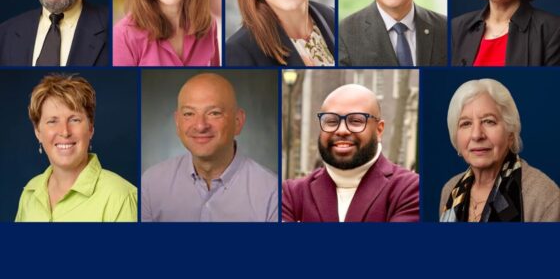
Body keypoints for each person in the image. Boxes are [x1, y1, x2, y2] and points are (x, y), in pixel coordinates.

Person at [141, 73, 278, 222]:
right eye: (189, 114)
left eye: (214, 113)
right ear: (177, 122)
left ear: (238, 121)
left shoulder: (272, 193)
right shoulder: (151, 184)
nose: (200, 126)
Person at [282, 84, 419, 222]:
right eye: (331, 121)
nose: (342, 130)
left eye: (355, 121)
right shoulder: (292, 194)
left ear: (379, 130)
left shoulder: (409, 189)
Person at [15, 74, 137, 222]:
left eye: (74, 120)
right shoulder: (30, 193)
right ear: (38, 132)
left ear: (90, 128)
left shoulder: (121, 197)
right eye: (52, 121)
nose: (65, 132)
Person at [440, 79, 560, 222]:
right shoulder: (450, 190)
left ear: (510, 132)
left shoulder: (545, 198)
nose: (477, 135)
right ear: (456, 137)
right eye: (466, 124)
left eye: (489, 121)